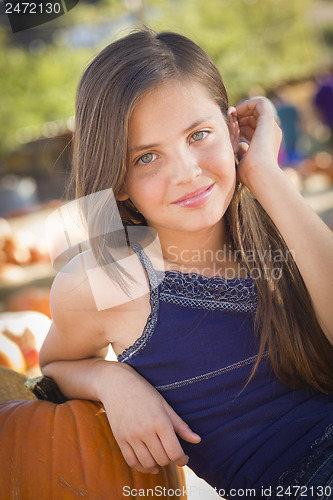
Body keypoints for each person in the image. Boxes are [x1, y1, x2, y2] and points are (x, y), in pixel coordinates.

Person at [39, 29, 333, 499]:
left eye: (199, 134)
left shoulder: (284, 226)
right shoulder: (108, 281)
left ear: (233, 129)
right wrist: (110, 379)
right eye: (147, 157)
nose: (187, 172)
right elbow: (55, 363)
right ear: (118, 180)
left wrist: (266, 174)